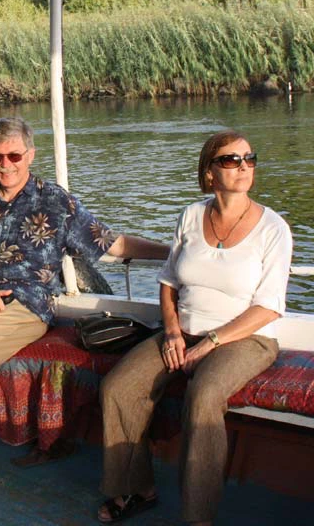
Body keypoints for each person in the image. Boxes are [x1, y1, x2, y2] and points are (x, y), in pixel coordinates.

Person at [0, 117, 169, 489]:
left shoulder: (56, 202)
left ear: (30, 155)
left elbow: (112, 244)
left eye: (14, 155)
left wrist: (172, 252)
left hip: (25, 306)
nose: (6, 164)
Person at [97, 130, 292, 525]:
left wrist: (210, 344)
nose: (243, 166)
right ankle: (136, 489)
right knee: (118, 387)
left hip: (245, 339)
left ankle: (197, 516)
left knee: (203, 396)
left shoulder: (273, 229)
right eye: (230, 160)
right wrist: (171, 332)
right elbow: (169, 283)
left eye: (248, 158)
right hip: (181, 330)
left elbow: (269, 307)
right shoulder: (190, 216)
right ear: (209, 173)